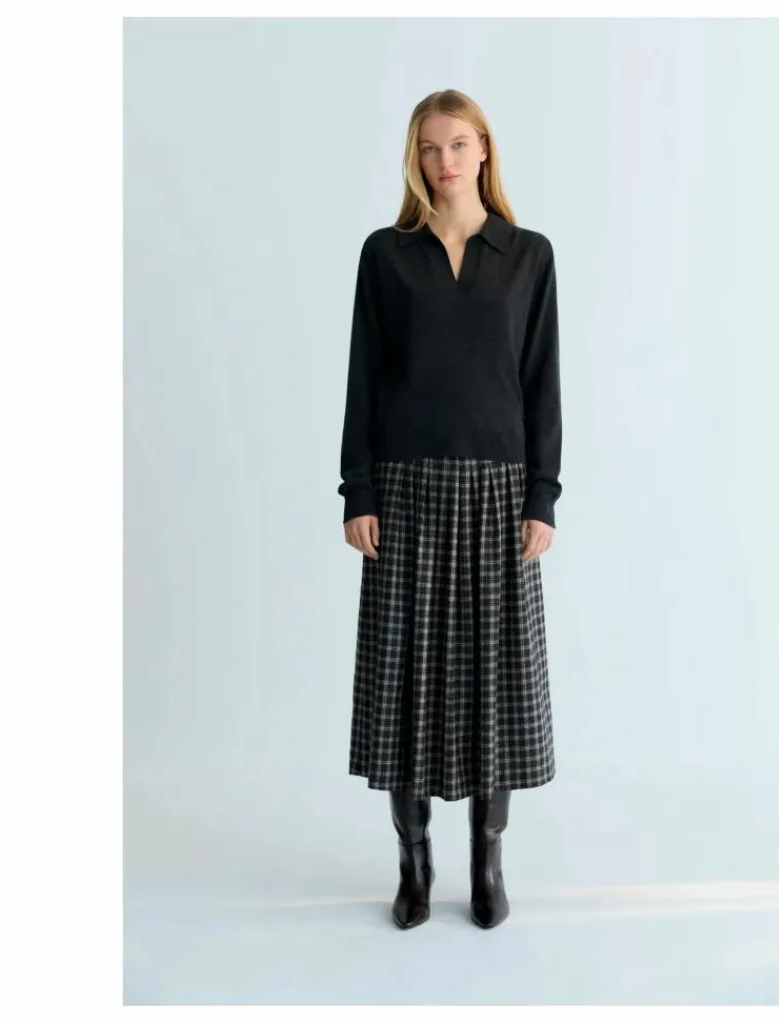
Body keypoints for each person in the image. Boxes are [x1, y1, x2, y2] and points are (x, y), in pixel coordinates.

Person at [337, 89, 562, 931]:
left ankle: (488, 863)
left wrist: (543, 495)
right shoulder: (386, 255)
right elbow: (363, 377)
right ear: (415, 157)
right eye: (430, 148)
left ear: (485, 150)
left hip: (500, 493)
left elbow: (542, 383)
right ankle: (413, 863)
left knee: (494, 681)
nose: (445, 161)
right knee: (402, 681)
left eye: (459, 144)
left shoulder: (528, 255)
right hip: (404, 490)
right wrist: (359, 490)